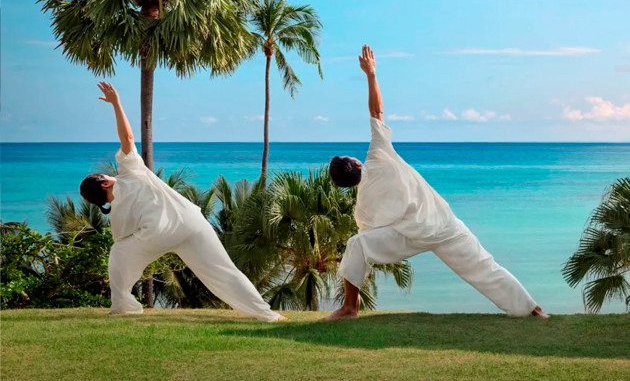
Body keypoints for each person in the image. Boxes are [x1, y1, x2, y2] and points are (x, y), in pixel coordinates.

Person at [325, 46, 548, 321]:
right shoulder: (378, 154)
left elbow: (367, 243)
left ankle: (350, 307)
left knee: (356, 245)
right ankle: (533, 309)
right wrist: (371, 74)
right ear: (357, 163)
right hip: (442, 225)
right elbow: (377, 111)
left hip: (408, 237)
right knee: (483, 267)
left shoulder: (363, 207)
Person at [80, 82, 284, 322]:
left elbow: (124, 248)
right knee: (224, 272)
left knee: (118, 255)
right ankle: (266, 314)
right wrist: (116, 103)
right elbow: (128, 137)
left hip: (156, 235)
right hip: (190, 223)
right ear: (105, 183)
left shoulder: (116, 216)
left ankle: (124, 307)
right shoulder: (129, 171)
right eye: (105, 175)